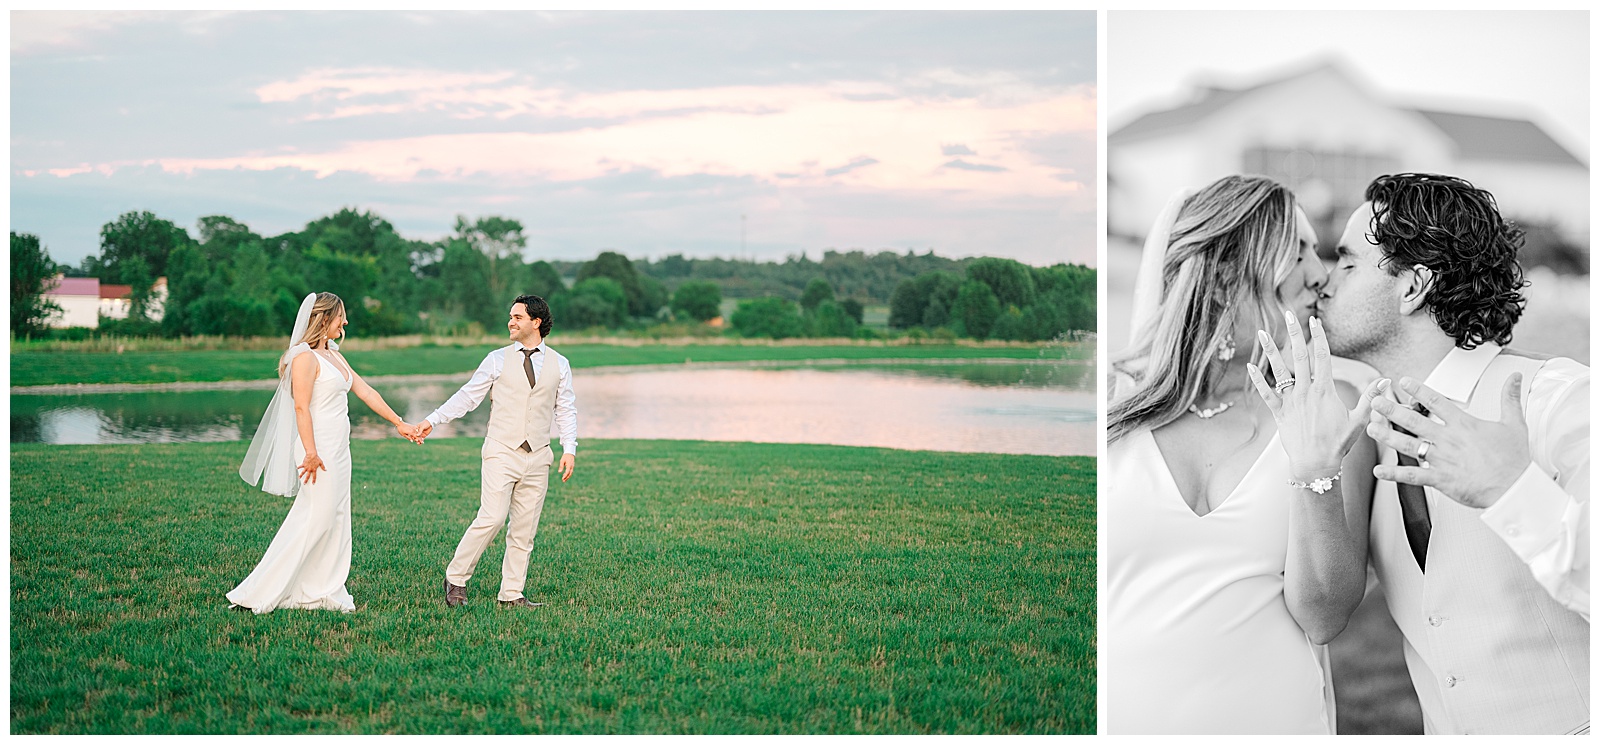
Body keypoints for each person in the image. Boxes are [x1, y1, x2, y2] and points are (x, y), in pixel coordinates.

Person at [1310, 173, 1589, 735]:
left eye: (1348, 262)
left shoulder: (1557, 400)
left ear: (1413, 285)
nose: (1323, 280)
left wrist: (1512, 489)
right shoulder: (1374, 433)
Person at [1106, 175, 1380, 734]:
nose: (1318, 272)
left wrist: (1314, 469)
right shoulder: (1108, 407)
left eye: (1317, 250)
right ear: (1226, 273)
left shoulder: (1332, 408)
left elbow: (1325, 614)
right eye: (1295, 250)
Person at [230, 292, 423, 613]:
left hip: (338, 451)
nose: (345, 322)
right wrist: (309, 452)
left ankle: (321, 589)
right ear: (323, 319)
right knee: (314, 520)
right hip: (315, 451)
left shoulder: (333, 354)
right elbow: (301, 407)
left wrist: (398, 422)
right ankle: (260, 591)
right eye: (339, 317)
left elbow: (364, 389)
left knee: (335, 519)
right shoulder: (305, 358)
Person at [411, 294, 578, 609]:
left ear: (536, 322)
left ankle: (511, 594)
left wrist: (569, 448)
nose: (510, 322)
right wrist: (433, 420)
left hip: (539, 456)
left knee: (524, 530)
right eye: (511, 316)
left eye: (517, 317)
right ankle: (456, 578)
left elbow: (566, 410)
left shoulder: (560, 364)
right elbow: (468, 397)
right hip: (501, 451)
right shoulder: (497, 359)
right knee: (492, 517)